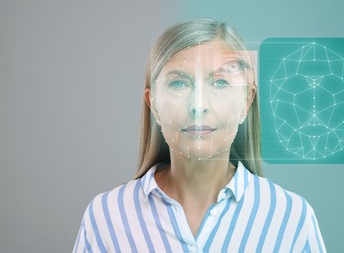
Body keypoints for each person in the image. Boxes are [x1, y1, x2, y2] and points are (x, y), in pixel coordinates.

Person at [73, 18, 326, 252]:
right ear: (154, 105)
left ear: (246, 102)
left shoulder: (292, 218)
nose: (198, 105)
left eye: (219, 83)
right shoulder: (105, 217)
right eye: (179, 83)